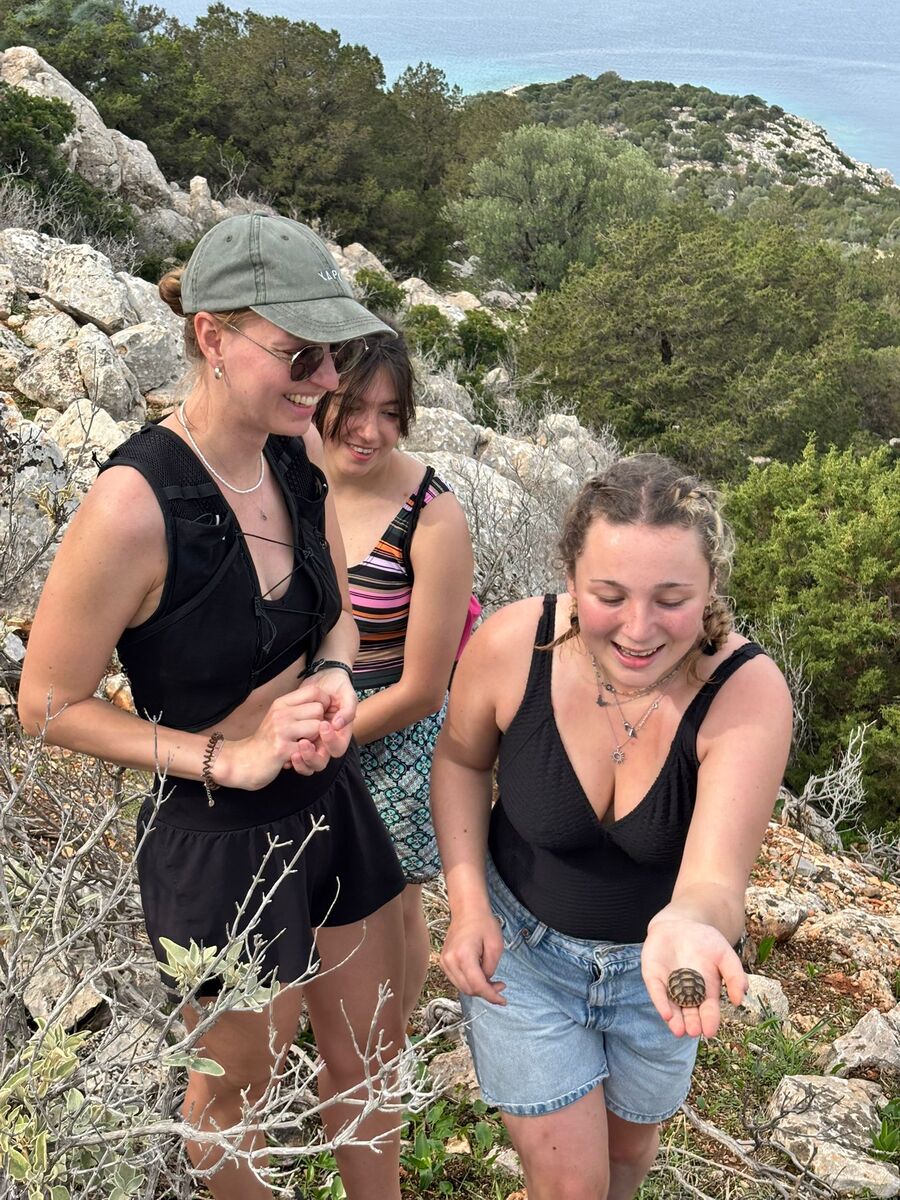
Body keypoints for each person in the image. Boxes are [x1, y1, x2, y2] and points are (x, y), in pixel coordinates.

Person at [18, 213, 409, 1200]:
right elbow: (46, 702)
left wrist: (333, 674)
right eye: (302, 355)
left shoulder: (294, 459)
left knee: (369, 1059)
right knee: (234, 1100)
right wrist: (223, 758)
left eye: (335, 354)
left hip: (330, 806)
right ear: (212, 337)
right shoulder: (134, 504)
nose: (327, 380)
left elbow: (336, 620)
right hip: (217, 848)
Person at [433, 454, 793, 1200]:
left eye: (672, 599)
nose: (638, 628)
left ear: (711, 589)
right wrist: (467, 905)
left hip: (658, 979)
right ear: (571, 577)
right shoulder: (512, 645)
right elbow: (462, 762)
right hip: (521, 959)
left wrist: (690, 925)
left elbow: (715, 880)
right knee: (572, 1184)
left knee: (626, 1162)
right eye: (609, 595)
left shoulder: (746, 693)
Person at [314, 334, 474, 1024]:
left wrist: (324, 738)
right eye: (354, 406)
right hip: (300, 714)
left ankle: (388, 1039)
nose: (370, 430)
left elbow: (424, 689)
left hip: (391, 732)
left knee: (392, 895)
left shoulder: (431, 516)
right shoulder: (285, 469)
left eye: (389, 413)